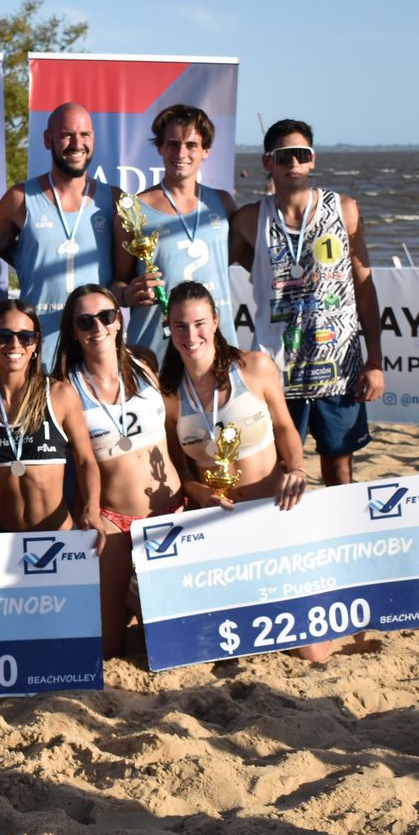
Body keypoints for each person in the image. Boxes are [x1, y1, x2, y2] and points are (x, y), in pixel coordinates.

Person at [160, 279, 323, 660]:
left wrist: (297, 469)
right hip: (219, 524)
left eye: (199, 323)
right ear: (169, 328)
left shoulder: (254, 367)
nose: (191, 334)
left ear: (215, 321)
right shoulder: (169, 393)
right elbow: (177, 462)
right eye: (180, 326)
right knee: (226, 648)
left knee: (310, 654)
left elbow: (285, 427)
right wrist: (192, 488)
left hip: (272, 509)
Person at [229, 119, 384, 486]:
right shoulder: (250, 219)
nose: (293, 162)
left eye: (302, 154)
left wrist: (375, 358)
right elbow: (212, 272)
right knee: (281, 472)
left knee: (339, 472)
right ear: (268, 162)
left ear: (313, 160)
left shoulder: (344, 209)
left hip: (337, 365)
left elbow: (364, 286)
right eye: (284, 156)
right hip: (275, 369)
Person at [53, 284, 183, 657]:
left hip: (169, 511)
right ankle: (128, 595)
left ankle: (137, 597)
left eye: (106, 316)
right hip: (113, 519)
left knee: (173, 641)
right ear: (74, 332)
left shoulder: (145, 364)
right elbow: (76, 461)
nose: (98, 327)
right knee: (109, 648)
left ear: (119, 321)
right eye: (85, 321)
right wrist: (86, 512)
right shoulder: (67, 387)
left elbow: (175, 437)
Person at [0, 298, 102, 538]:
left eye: (25, 337)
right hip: (0, 535)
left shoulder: (59, 394)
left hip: (56, 537)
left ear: (35, 344)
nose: (14, 344)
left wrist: (92, 508)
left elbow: (85, 460)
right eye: (3, 336)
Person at [0, 102, 119, 365]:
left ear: (93, 138)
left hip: (95, 346)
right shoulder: (20, 198)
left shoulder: (114, 200)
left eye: (84, 135)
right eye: (66, 135)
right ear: (48, 139)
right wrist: (24, 258)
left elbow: (125, 274)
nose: (76, 143)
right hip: (37, 348)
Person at [115, 105, 237, 360]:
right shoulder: (134, 209)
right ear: (160, 148)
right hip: (155, 352)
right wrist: (127, 294)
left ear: (206, 151)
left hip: (217, 348)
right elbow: (115, 284)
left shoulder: (223, 203)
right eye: (172, 144)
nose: (181, 153)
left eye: (191, 145)